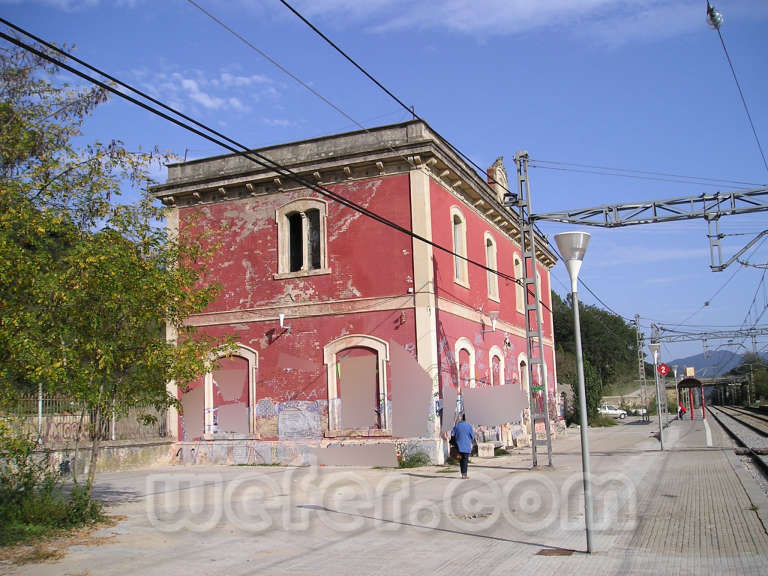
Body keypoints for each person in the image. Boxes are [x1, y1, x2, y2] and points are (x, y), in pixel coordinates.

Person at [451, 413, 475, 479]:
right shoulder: (469, 426)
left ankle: (463, 473)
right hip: (466, 446)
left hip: (458, 446)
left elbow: (452, 434)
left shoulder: (457, 425)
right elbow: (472, 437)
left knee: (461, 460)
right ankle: (464, 474)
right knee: (465, 460)